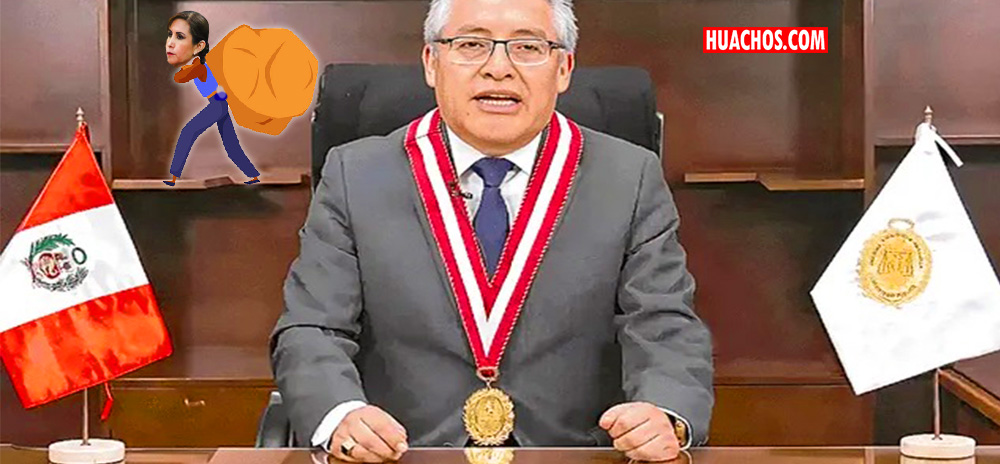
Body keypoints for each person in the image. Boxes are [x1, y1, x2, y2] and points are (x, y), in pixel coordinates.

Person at [270, 0, 714, 462]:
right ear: (431, 62)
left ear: (564, 69)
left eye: (528, 47)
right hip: (402, 455)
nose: (498, 68)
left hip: (574, 455)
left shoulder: (629, 177)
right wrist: (342, 414)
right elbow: (312, 327)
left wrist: (665, 411)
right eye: (471, 45)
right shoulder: (356, 174)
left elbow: (663, 323)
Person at [164, 11, 260, 186]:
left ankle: (174, 177)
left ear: (198, 46)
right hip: (220, 103)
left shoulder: (199, 66)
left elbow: (179, 78)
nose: (171, 44)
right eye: (171, 36)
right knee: (230, 144)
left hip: (217, 104)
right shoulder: (201, 64)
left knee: (188, 133)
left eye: (180, 37)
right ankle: (252, 175)